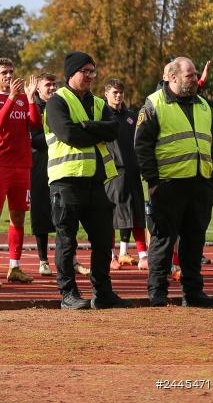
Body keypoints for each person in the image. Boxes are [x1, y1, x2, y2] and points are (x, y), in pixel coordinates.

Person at [44, 51, 128, 310]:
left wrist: (86, 127)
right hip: (66, 181)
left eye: (93, 71)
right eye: (86, 71)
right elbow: (69, 134)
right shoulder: (57, 101)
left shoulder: (100, 104)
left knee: (104, 239)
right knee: (66, 240)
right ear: (72, 73)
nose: (91, 76)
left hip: (95, 181)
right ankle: (67, 294)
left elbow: (114, 129)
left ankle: (102, 292)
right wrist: (94, 129)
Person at [135, 57, 213, 308]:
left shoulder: (204, 105)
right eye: (190, 75)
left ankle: (192, 292)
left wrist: (212, 176)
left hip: (200, 185)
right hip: (168, 185)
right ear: (172, 77)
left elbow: (210, 145)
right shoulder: (154, 104)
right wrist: (153, 182)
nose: (195, 79)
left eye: (195, 75)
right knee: (162, 240)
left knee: (194, 240)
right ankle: (157, 292)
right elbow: (142, 147)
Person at [0, 58, 41, 283]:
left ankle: (14, 267)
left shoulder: (23, 98)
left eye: (11, 71)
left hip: (22, 165)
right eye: (4, 72)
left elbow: (35, 125)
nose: (9, 75)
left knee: (19, 216)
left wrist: (31, 100)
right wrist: (13, 97)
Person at [102, 79, 148, 271]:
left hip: (133, 171)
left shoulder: (131, 116)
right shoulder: (102, 116)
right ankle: (110, 256)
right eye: (114, 92)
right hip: (113, 173)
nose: (118, 95)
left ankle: (143, 255)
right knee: (112, 216)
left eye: (120, 92)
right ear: (106, 94)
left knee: (137, 213)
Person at [28, 73, 72, 277]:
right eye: (48, 85)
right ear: (37, 88)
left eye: (54, 84)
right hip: (39, 164)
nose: (52, 88)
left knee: (66, 211)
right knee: (40, 210)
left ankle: (70, 258)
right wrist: (59, 136)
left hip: (62, 164)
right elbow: (33, 139)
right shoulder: (32, 107)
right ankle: (43, 259)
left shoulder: (62, 104)